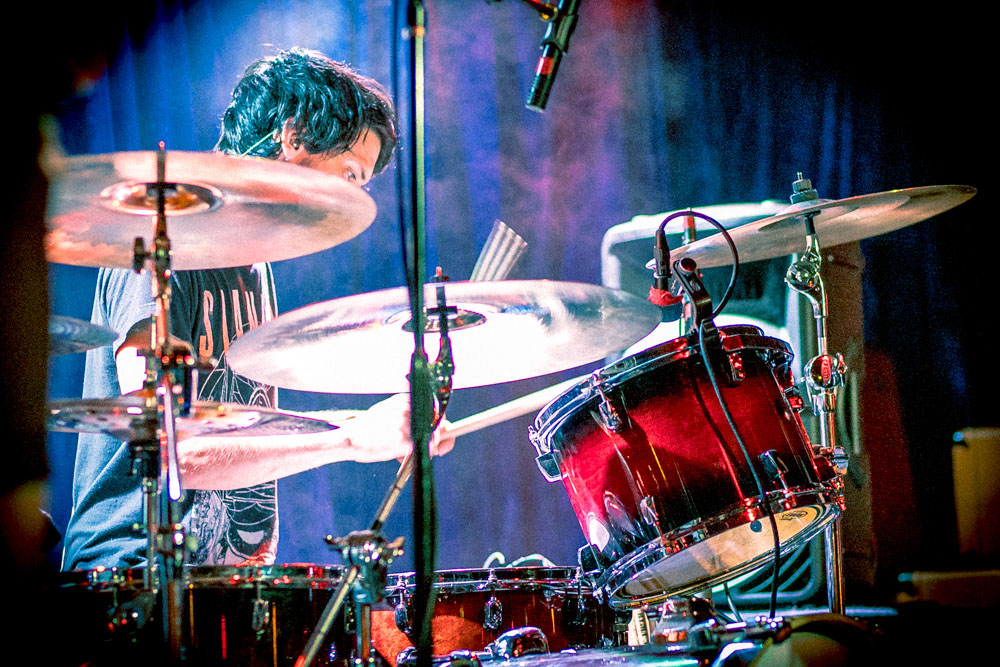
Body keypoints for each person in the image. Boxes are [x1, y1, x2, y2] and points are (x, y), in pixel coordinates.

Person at [62, 48, 452, 571]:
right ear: (293, 137)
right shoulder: (162, 241)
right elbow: (168, 448)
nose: (353, 199)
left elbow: (242, 423)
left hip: (226, 586)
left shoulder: (253, 263)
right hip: (133, 576)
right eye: (350, 174)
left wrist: (371, 422)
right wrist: (349, 439)